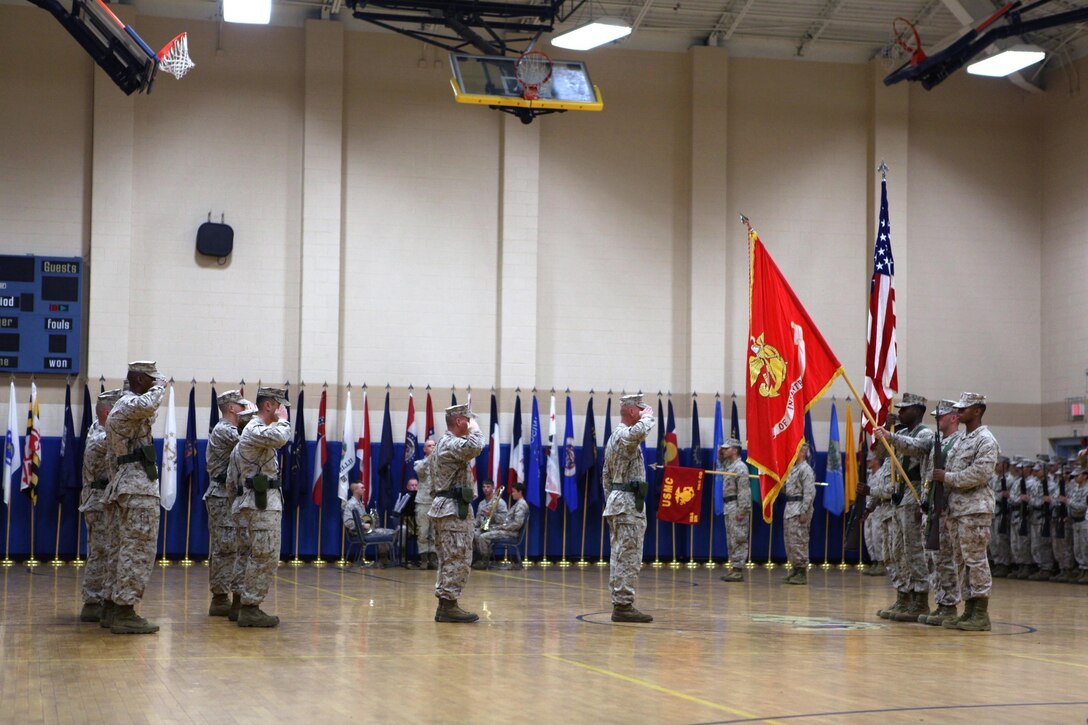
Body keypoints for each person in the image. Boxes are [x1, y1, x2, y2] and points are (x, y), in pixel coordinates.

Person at [102, 361, 166, 635]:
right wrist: (161, 386)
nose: (156, 384)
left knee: (122, 548)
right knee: (138, 549)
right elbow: (150, 405)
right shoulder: (128, 404)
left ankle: (112, 607)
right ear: (140, 379)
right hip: (137, 488)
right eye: (150, 379)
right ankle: (125, 610)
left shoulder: (127, 408)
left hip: (130, 484)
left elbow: (148, 415)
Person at [933, 392, 1000, 631]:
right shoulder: (961, 440)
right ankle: (969, 609)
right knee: (961, 561)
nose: (959, 412)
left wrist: (948, 477)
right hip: (957, 510)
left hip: (975, 509)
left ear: (978, 411)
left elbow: (980, 473)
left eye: (964, 409)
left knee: (976, 560)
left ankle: (981, 612)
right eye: (958, 409)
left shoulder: (986, 440)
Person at [228, 387, 291, 628]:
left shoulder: (256, 431)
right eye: (279, 405)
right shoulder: (255, 429)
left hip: (255, 502)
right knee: (265, 555)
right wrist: (284, 421)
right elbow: (280, 438)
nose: (281, 410)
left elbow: (230, 480)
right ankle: (250, 607)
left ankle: (241, 603)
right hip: (261, 504)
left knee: (252, 554)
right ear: (269, 405)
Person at [873, 393, 931, 621]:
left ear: (917, 410)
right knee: (899, 550)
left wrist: (892, 436)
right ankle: (904, 595)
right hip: (900, 495)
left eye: (905, 409)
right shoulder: (901, 432)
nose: (901, 412)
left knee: (914, 550)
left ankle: (920, 600)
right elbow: (880, 453)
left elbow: (918, 448)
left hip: (914, 491)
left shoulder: (924, 433)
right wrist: (886, 432)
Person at [428, 404, 485, 623]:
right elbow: (476, 446)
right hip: (452, 509)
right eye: (468, 420)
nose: (471, 423)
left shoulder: (445, 443)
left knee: (451, 557)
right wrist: (476, 429)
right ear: (460, 421)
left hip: (450, 507)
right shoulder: (450, 443)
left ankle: (447, 604)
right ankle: (448, 605)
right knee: (457, 557)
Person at [602, 394, 656, 622]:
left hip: (619, 501)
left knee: (620, 555)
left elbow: (606, 476)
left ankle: (621, 602)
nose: (645, 413)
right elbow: (638, 433)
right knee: (628, 556)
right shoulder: (624, 434)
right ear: (633, 412)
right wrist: (648, 419)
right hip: (627, 504)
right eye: (641, 410)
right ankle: (623, 605)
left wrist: (612, 499)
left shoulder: (615, 437)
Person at [77, 388, 122, 623]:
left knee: (106, 550)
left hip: (103, 501)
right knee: (101, 551)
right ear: (107, 412)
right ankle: (92, 601)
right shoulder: (99, 438)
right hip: (97, 502)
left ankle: (101, 597)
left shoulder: (99, 430)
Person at [204, 390, 248, 617]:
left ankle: (225, 596)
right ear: (231, 408)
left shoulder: (230, 429)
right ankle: (220, 598)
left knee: (231, 547)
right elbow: (249, 444)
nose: (244, 409)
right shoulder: (225, 430)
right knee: (225, 547)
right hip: (221, 495)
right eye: (241, 406)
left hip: (229, 494)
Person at [918, 399, 962, 626]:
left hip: (945, 510)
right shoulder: (941, 442)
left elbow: (953, 479)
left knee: (945, 559)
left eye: (941, 415)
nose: (937, 419)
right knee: (933, 559)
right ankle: (941, 602)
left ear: (954, 417)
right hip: (933, 509)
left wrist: (948, 512)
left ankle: (949, 604)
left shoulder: (958, 443)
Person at [718, 438, 752, 582]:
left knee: (739, 537)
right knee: (731, 538)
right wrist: (721, 452)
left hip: (737, 505)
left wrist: (742, 510)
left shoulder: (740, 467)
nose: (724, 450)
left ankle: (738, 569)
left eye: (727, 448)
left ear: (735, 450)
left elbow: (744, 490)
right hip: (729, 506)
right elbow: (721, 460)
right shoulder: (730, 466)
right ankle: (734, 567)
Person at [782, 441, 816, 585]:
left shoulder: (805, 470)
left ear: (803, 452)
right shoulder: (792, 469)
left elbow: (809, 492)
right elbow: (787, 489)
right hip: (790, 508)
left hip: (799, 509)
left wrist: (804, 512)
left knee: (800, 541)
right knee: (790, 542)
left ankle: (801, 572)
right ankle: (795, 570)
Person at [475, 481, 529, 569]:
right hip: (507, 530)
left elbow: (517, 524)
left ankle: (484, 561)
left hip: (511, 533)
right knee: (479, 532)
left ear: (520, 492)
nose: (512, 494)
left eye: (514, 491)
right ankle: (481, 558)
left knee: (483, 537)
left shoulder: (521, 505)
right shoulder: (518, 504)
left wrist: (503, 527)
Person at [342, 482, 395, 566]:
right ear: (355, 490)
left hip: (365, 531)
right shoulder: (351, 504)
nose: (364, 489)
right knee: (388, 533)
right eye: (362, 488)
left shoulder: (359, 503)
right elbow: (347, 522)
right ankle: (384, 559)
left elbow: (365, 518)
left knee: (390, 532)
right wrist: (363, 525)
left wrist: (373, 520)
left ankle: (384, 558)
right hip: (358, 533)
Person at [1027, 457, 1057, 580]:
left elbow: (1051, 501)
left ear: (1045, 470)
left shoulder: (1052, 485)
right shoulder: (1035, 484)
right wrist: (1034, 501)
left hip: (1045, 517)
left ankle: (1047, 568)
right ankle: (1040, 566)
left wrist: (1037, 501)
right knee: (1036, 544)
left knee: (1045, 544)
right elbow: (1031, 499)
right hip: (1035, 517)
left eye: (1038, 470)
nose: (1035, 472)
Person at [861, 448, 888, 577]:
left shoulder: (882, 474)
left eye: (869, 460)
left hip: (878, 509)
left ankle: (881, 563)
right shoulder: (870, 475)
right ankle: (874, 561)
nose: (867, 463)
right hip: (869, 509)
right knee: (869, 536)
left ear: (876, 460)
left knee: (878, 537)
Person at [411, 438, 437, 570]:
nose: (432, 447)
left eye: (434, 445)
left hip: (437, 503)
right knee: (423, 532)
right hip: (423, 502)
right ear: (425, 449)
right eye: (429, 446)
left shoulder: (441, 464)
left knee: (435, 533)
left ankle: (433, 558)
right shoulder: (419, 463)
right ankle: (423, 559)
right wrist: (430, 458)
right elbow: (420, 471)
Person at [1007, 459, 1035, 579]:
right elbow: (1011, 497)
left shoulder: (1032, 483)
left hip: (1025, 515)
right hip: (1015, 514)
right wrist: (1018, 499)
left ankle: (1027, 566)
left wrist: (1020, 499)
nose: (1019, 470)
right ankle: (1019, 565)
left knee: (1024, 542)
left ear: (1029, 468)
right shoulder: (1017, 482)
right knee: (1015, 543)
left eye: (1022, 468)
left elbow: (1030, 499)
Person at [471, 480, 507, 569]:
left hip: (496, 528)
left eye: (488, 487)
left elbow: (503, 519)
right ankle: (476, 557)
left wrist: (491, 515)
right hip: (484, 527)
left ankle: (484, 560)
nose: (485, 489)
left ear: (493, 488)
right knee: (472, 533)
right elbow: (478, 521)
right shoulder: (481, 503)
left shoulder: (500, 502)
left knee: (482, 536)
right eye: (484, 487)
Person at [988, 456, 1013, 578]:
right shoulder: (993, 478)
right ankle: (996, 562)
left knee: (1001, 540)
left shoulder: (1009, 479)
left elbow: (1005, 496)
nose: (996, 466)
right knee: (992, 540)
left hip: (1002, 512)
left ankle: (1004, 564)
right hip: (992, 512)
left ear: (1004, 465)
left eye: (998, 464)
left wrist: (997, 496)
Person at [1067, 466, 1088, 583]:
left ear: (1085, 476)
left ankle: (1087, 570)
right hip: (1075, 521)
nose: (1075, 478)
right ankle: (1082, 569)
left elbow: (1084, 506)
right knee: (1078, 548)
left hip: (1084, 520)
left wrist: (1068, 502)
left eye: (1077, 475)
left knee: (1085, 547)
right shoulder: (1075, 488)